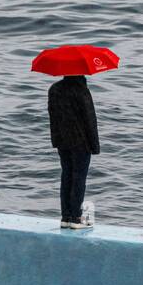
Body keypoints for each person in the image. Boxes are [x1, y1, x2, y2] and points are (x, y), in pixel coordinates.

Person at [47, 74, 100, 228]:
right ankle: (76, 218)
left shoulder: (54, 89)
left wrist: (56, 140)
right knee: (79, 178)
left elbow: (53, 117)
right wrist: (95, 146)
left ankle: (65, 217)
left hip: (62, 141)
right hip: (81, 142)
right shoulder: (81, 91)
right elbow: (90, 120)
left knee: (66, 176)